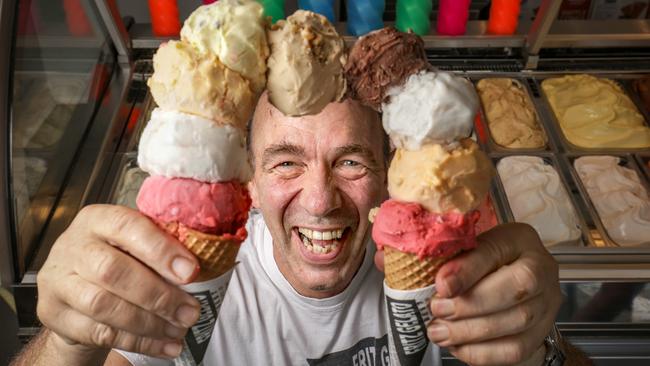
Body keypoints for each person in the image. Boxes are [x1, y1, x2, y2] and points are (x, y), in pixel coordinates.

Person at [13, 94, 588, 366]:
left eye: (351, 162)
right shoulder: (180, 278)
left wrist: (542, 349)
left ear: (388, 178)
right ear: (251, 185)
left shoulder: (451, 279)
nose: (319, 199)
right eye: (286, 162)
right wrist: (68, 344)